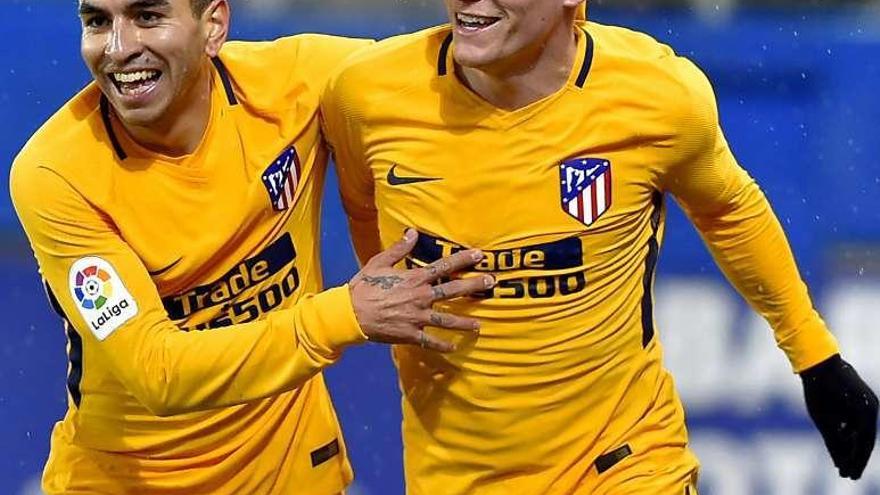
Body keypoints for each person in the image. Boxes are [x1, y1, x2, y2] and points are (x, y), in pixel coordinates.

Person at [321, 1, 879, 493]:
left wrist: (815, 358)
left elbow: (727, 208)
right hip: (455, 474)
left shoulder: (658, 96)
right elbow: (363, 206)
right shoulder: (368, 95)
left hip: (624, 460)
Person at [9, 0, 493, 493]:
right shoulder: (55, 174)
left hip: (296, 473)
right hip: (128, 483)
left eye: (148, 17)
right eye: (98, 22)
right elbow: (158, 374)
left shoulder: (297, 82)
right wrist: (346, 314)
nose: (118, 48)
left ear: (213, 25)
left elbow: (467, 58)